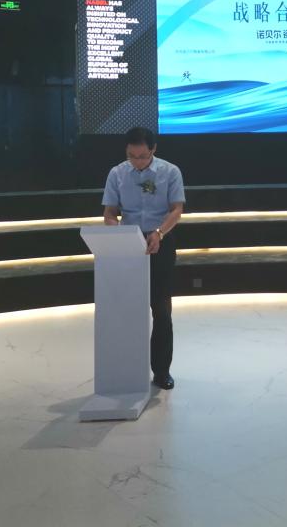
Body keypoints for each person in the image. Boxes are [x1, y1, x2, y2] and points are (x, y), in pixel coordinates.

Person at [102, 126, 186, 390]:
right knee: (128, 309)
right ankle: (128, 369)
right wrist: (117, 233)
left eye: (142, 156)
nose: (136, 162)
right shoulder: (117, 173)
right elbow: (110, 213)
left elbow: (176, 209)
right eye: (131, 156)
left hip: (160, 241)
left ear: (153, 150)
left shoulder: (170, 172)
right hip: (129, 243)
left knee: (161, 309)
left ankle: (161, 371)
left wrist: (159, 233)